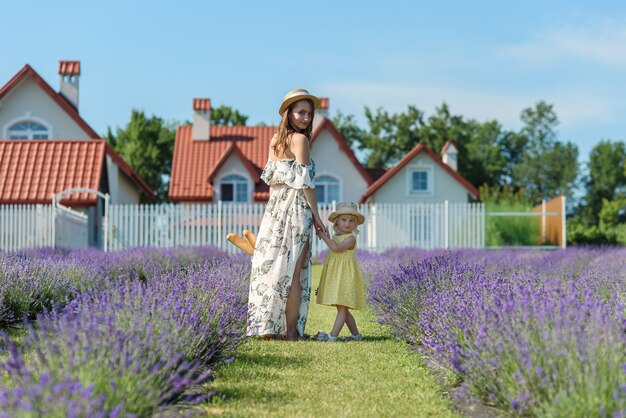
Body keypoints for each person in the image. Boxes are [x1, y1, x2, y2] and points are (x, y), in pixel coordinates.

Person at [247, 89, 328, 341]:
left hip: (275, 209)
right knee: (294, 272)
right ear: (289, 114)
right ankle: (291, 332)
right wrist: (316, 216)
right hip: (296, 208)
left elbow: (271, 183)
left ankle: (268, 326)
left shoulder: (274, 141)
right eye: (301, 112)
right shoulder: (301, 141)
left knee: (274, 269)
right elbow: (306, 183)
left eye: (309, 113)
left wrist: (274, 214)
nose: (305, 117)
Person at [315, 202, 366, 342]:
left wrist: (324, 237)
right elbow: (334, 245)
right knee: (342, 308)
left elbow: (336, 248)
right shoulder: (336, 236)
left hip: (345, 276)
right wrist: (325, 234)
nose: (347, 223)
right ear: (337, 221)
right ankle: (356, 335)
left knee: (342, 308)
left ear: (356, 224)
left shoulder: (350, 239)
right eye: (344, 220)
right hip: (337, 276)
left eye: (351, 221)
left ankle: (332, 336)